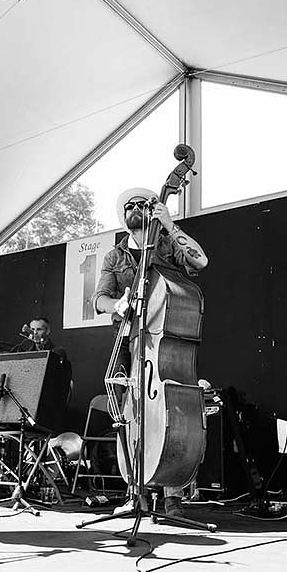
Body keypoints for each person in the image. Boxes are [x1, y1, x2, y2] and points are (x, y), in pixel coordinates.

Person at [91, 187, 208, 518]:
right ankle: (134, 491)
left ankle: (173, 494)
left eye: (143, 203)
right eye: (129, 205)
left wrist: (170, 225)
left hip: (164, 343)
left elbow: (200, 261)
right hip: (129, 340)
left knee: (171, 410)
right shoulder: (115, 256)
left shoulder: (168, 245)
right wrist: (118, 303)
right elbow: (99, 299)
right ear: (123, 216)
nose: (135, 207)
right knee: (126, 408)